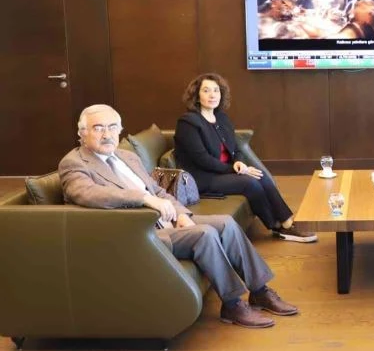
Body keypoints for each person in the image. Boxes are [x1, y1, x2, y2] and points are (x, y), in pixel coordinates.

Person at [58, 104, 298, 329]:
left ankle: (260, 291)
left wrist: (181, 214)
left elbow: (159, 191)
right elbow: (89, 194)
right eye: (98, 128)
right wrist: (143, 198)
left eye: (112, 127)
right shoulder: (74, 163)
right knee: (204, 233)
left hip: (163, 221)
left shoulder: (127, 157)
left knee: (226, 223)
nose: (107, 134)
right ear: (82, 133)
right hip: (136, 233)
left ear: (120, 130)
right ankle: (233, 304)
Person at [173, 73, 317, 243]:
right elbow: (202, 159)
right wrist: (234, 169)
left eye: (216, 90)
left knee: (260, 176)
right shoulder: (188, 122)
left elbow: (235, 149)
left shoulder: (221, 118)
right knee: (250, 183)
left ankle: (287, 222)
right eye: (206, 91)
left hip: (224, 172)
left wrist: (239, 162)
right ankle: (276, 226)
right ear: (197, 96)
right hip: (202, 178)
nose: (212, 95)